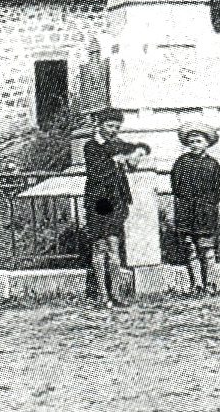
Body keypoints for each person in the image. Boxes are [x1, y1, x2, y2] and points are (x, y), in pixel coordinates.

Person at [84, 108, 141, 308]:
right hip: (99, 201)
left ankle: (115, 294)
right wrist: (116, 161)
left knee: (114, 246)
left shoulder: (117, 144)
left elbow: (141, 146)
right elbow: (98, 173)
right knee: (99, 247)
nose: (113, 130)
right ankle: (101, 294)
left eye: (116, 127)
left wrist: (138, 152)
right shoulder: (91, 146)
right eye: (109, 126)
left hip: (116, 201)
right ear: (99, 125)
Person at [170, 122, 220, 295]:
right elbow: (175, 186)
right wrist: (187, 201)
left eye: (198, 141)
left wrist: (208, 204)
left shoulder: (213, 165)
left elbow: (218, 189)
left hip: (205, 213)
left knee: (206, 249)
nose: (195, 144)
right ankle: (197, 285)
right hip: (186, 211)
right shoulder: (181, 163)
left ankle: (211, 284)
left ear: (207, 143)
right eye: (191, 141)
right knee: (191, 249)